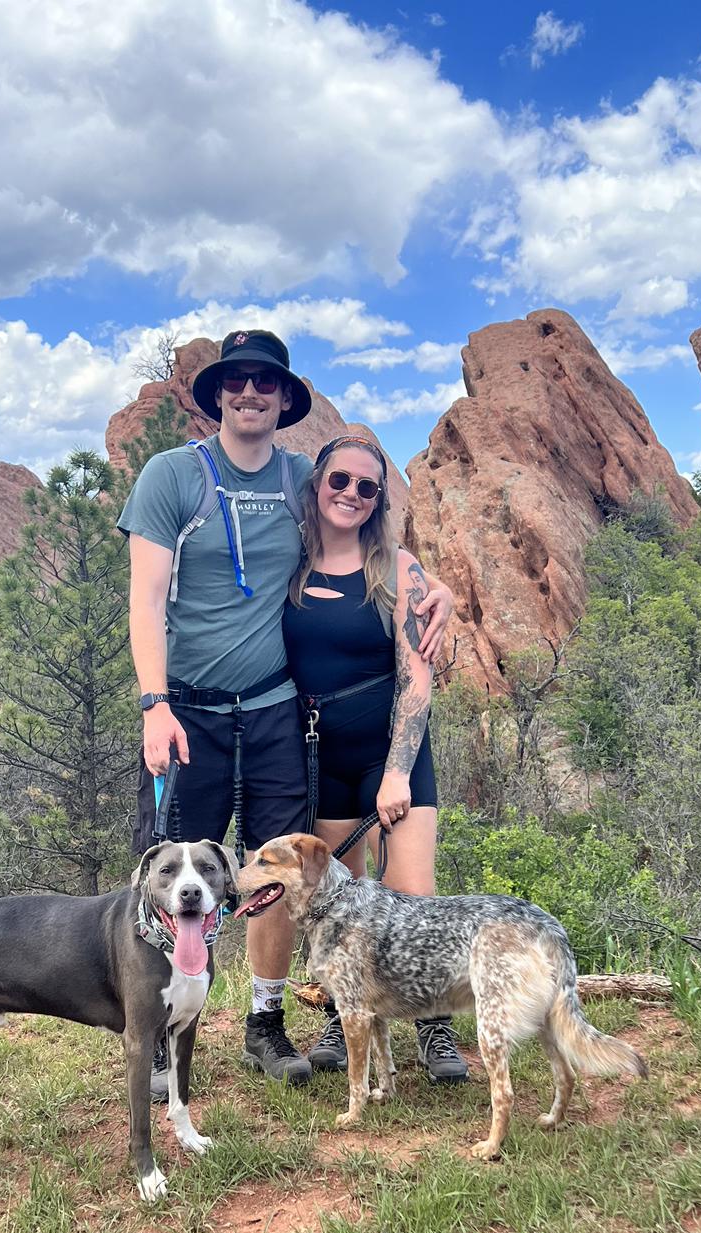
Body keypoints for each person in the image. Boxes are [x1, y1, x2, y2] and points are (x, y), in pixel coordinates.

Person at [119, 330, 452, 1096]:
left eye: (264, 384)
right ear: (216, 396)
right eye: (235, 382)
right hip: (187, 713)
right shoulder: (174, 475)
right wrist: (153, 703)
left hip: (273, 713)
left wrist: (438, 594)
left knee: (267, 873)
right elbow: (143, 597)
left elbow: (371, 540)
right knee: (170, 870)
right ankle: (160, 1029)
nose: (249, 394)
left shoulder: (303, 477)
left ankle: (265, 1023)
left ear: (283, 399)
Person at [284, 434, 469, 1085]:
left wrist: (395, 771)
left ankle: (436, 1025)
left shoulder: (398, 568)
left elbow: (417, 678)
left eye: (368, 487)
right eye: (340, 480)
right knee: (340, 904)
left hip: (394, 754)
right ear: (317, 485)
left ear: (380, 499)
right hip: (317, 757)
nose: (353, 495)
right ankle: (342, 1016)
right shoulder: (290, 561)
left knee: (414, 899)